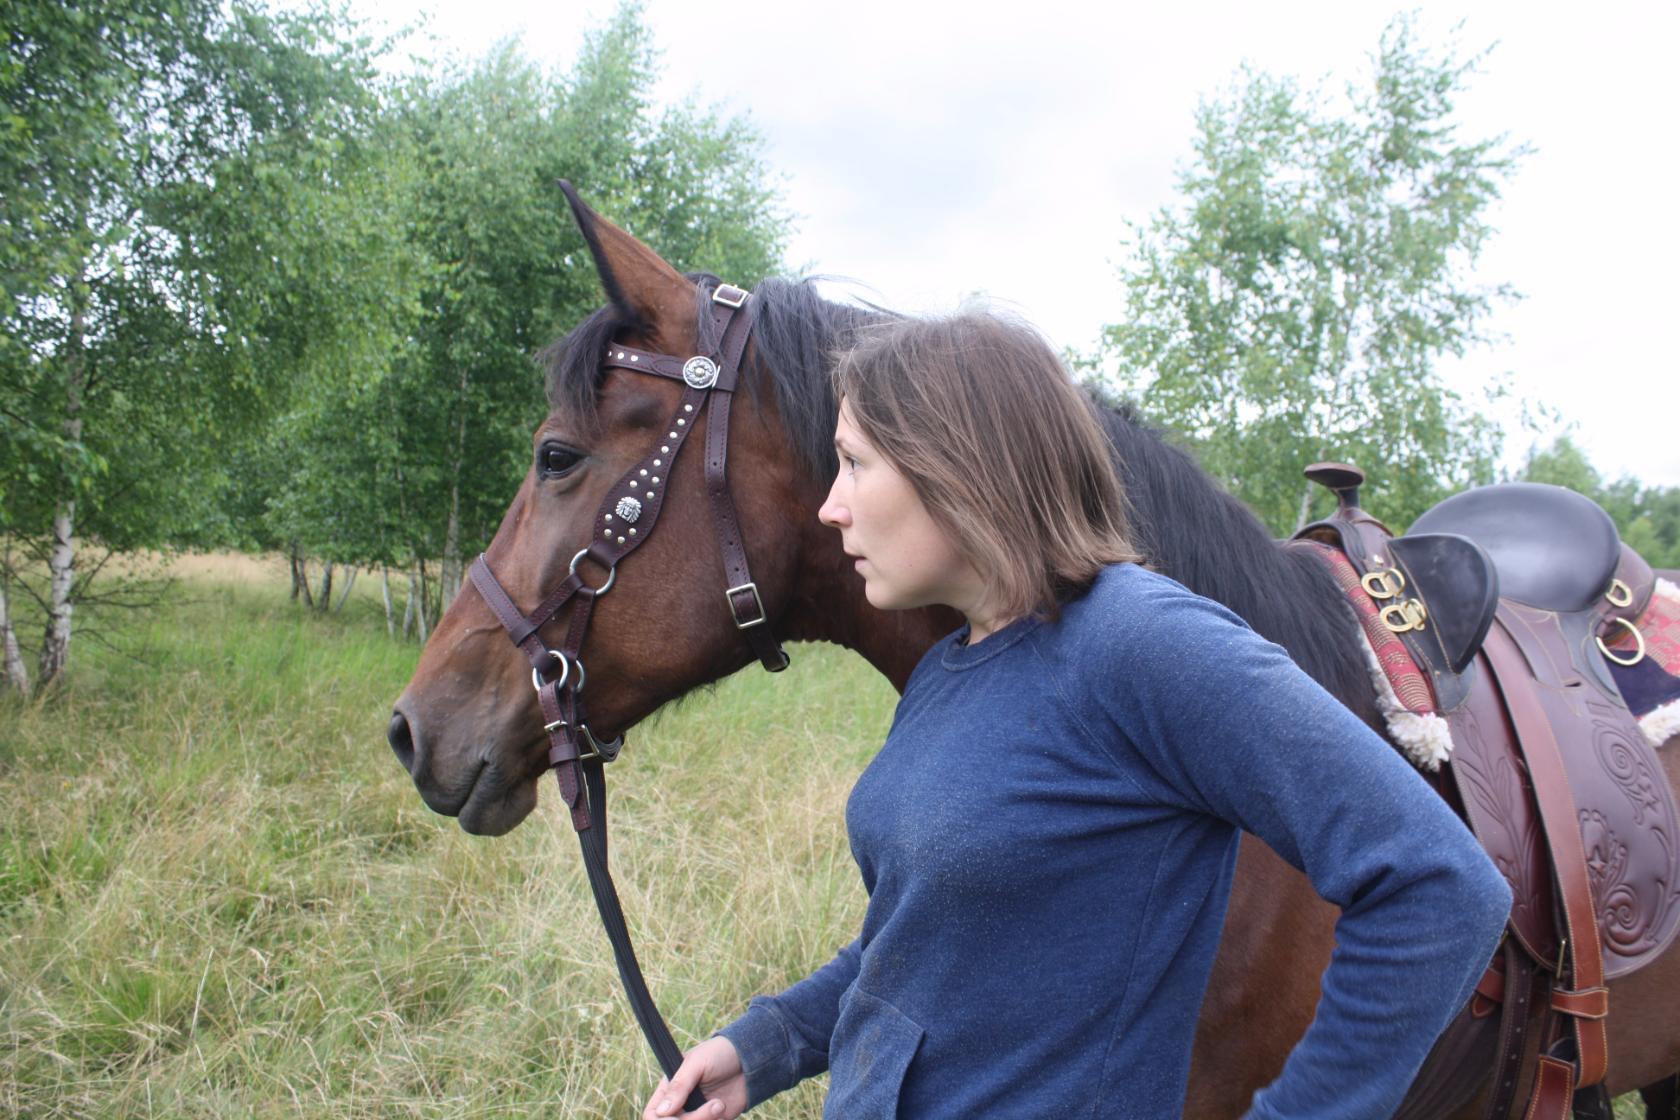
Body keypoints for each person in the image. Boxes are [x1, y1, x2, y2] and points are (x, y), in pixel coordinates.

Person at [640, 308, 1510, 1119]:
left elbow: (1441, 886)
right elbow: (930, 941)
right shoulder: (952, 666)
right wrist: (770, 1044)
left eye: (855, 463)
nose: (832, 506)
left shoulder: (1143, 643)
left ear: (959, 466)